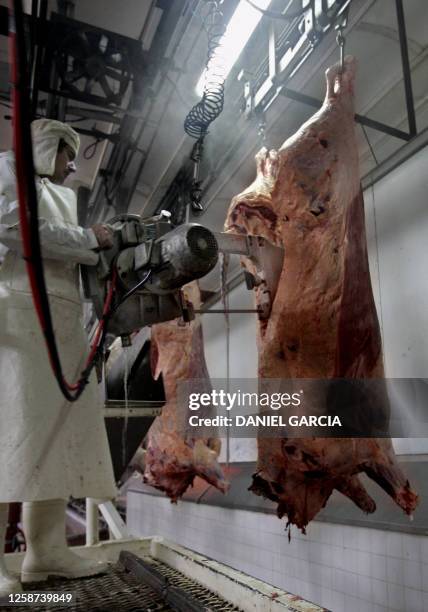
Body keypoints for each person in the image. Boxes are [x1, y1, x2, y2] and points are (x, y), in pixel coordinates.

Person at [0, 119, 118, 594]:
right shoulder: (8, 169)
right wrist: (91, 240)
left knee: (53, 439)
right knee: (11, 433)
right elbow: (12, 228)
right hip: (21, 321)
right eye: (67, 154)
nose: (73, 165)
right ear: (46, 146)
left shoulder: (58, 196)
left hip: (64, 326)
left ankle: (45, 553)